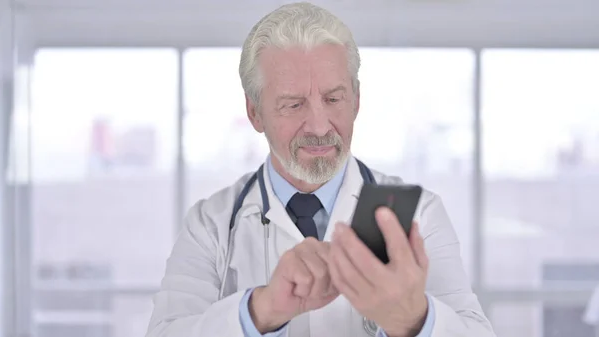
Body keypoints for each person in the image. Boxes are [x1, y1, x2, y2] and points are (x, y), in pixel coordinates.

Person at [146, 2, 496, 337]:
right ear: (255, 113)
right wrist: (262, 310)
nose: (318, 126)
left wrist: (413, 320)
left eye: (333, 99)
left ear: (356, 101)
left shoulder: (420, 215)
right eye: (293, 104)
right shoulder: (212, 225)